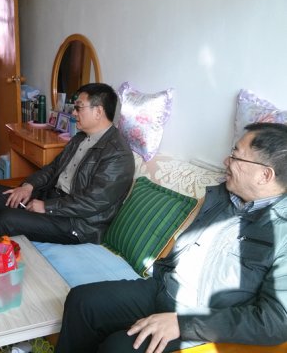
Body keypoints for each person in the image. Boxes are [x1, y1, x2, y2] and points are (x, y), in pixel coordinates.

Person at [55, 122, 287, 353]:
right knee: (82, 301)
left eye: (235, 157)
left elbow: (275, 322)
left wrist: (184, 324)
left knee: (117, 347)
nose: (226, 161)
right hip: (164, 289)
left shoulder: (282, 232)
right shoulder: (223, 196)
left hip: (205, 321)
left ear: (264, 175)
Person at [0, 83, 135, 244]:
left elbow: (93, 201)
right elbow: (54, 168)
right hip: (54, 199)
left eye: (79, 108)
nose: (74, 113)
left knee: (7, 219)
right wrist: (29, 186)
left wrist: (47, 207)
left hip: (77, 223)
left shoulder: (117, 154)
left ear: (98, 111)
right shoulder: (80, 138)